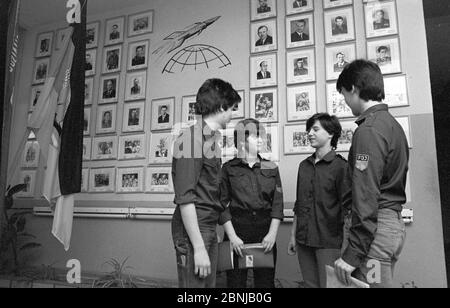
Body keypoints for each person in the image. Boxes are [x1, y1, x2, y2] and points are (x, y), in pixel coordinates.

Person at [334, 60, 409, 288]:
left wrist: (352, 253)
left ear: (354, 89)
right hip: (389, 225)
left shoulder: (368, 131)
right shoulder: (392, 125)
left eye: (345, 94)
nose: (346, 102)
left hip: (374, 233)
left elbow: (366, 193)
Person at [171, 78, 241, 288]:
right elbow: (185, 199)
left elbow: (213, 194)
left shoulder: (211, 142)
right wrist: (199, 247)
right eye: (231, 109)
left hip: (208, 226)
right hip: (194, 230)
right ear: (221, 107)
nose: (232, 115)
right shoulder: (191, 139)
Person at [287, 113, 350, 288]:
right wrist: (293, 235)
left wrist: (346, 246)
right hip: (303, 239)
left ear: (330, 133)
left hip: (329, 242)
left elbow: (347, 210)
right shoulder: (304, 166)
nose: (309, 133)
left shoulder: (341, 167)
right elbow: (299, 205)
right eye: (309, 130)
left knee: (330, 286)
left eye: (315, 129)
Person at [220, 118, 284, 288]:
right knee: (235, 283)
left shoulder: (271, 167)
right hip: (237, 232)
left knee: (265, 283)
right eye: (256, 136)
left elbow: (278, 204)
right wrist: (232, 237)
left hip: (265, 233)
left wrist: (272, 234)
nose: (262, 139)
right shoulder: (227, 169)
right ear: (242, 140)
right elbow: (222, 204)